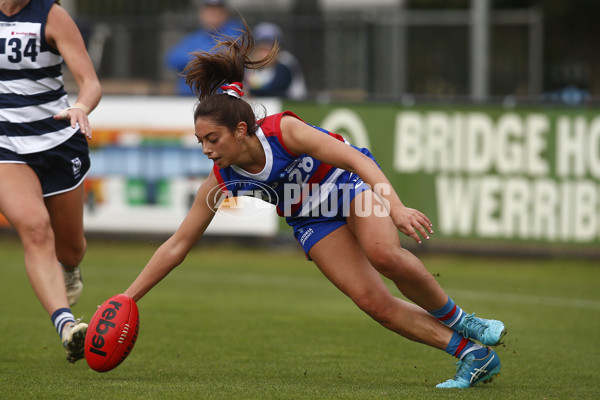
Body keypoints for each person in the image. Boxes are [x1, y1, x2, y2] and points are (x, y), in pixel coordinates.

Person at [123, 25, 505, 389]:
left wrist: (397, 208)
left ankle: (464, 321)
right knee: (375, 304)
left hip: (346, 186)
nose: (206, 149)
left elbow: (357, 161)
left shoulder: (282, 131)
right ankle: (472, 355)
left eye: (212, 139)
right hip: (310, 219)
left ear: (241, 131)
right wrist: (127, 298)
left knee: (383, 255)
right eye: (200, 141)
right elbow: (178, 244)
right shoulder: (222, 179)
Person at [0, 0, 102, 363]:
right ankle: (67, 326)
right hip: (5, 147)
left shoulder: (51, 15)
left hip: (57, 142)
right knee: (36, 228)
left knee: (71, 249)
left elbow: (90, 82)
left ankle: (70, 271)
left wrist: (81, 107)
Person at [165, 0, 243, 96]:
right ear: (202, 14)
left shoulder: (234, 32)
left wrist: (195, 61)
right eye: (210, 11)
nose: (213, 14)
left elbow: (222, 58)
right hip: (188, 96)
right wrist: (202, 60)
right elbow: (172, 59)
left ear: (225, 13)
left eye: (217, 11)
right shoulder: (195, 37)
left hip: (219, 98)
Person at [245, 22, 307, 100]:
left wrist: (250, 91)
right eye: (261, 49)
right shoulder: (250, 65)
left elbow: (276, 88)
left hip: (292, 105)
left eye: (268, 49)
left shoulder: (286, 62)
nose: (264, 54)